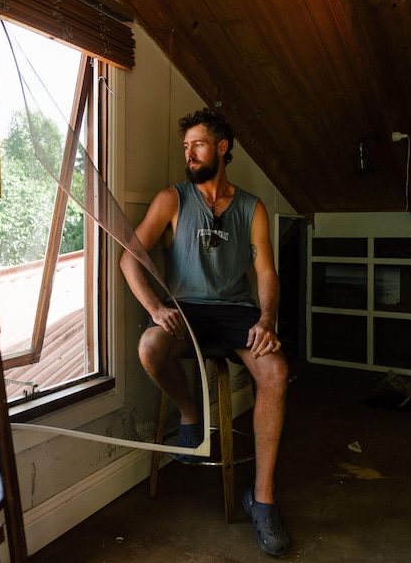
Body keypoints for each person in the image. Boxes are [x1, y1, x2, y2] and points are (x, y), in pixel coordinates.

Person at [120, 107, 290, 556]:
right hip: (186, 309)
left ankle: (263, 499)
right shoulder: (171, 199)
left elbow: (267, 274)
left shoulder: (252, 208)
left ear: (221, 148)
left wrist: (267, 320)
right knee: (150, 346)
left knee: (275, 372)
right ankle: (190, 415)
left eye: (197, 145)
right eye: (185, 147)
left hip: (237, 310)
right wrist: (156, 307)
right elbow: (129, 257)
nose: (189, 154)